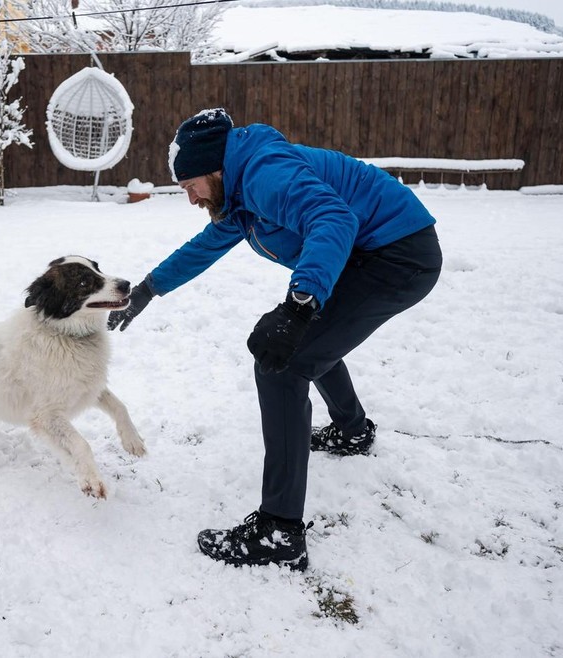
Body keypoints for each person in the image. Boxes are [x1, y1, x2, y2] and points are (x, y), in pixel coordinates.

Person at [107, 108, 442, 571]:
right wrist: (148, 289)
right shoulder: (241, 191)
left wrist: (299, 306)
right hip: (375, 252)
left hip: (397, 256)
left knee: (282, 363)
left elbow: (334, 218)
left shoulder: (265, 173)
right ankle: (352, 431)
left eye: (191, 186)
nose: (192, 198)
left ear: (214, 169)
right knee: (304, 343)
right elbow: (205, 246)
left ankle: (279, 532)